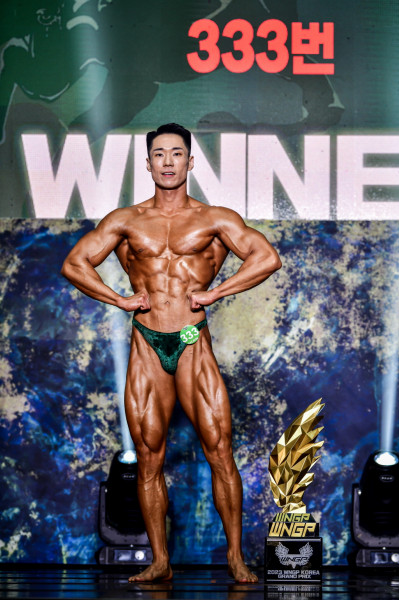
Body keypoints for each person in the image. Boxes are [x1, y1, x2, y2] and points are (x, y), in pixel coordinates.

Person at [61, 123, 281, 583]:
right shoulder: (125, 220)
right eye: (159, 154)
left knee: (219, 450)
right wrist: (119, 300)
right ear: (148, 164)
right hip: (146, 342)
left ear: (190, 162)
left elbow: (266, 257)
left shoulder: (214, 218)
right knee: (148, 456)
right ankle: (160, 560)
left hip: (191, 340)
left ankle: (235, 558)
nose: (167, 161)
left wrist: (218, 292)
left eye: (176, 153)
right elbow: (74, 263)